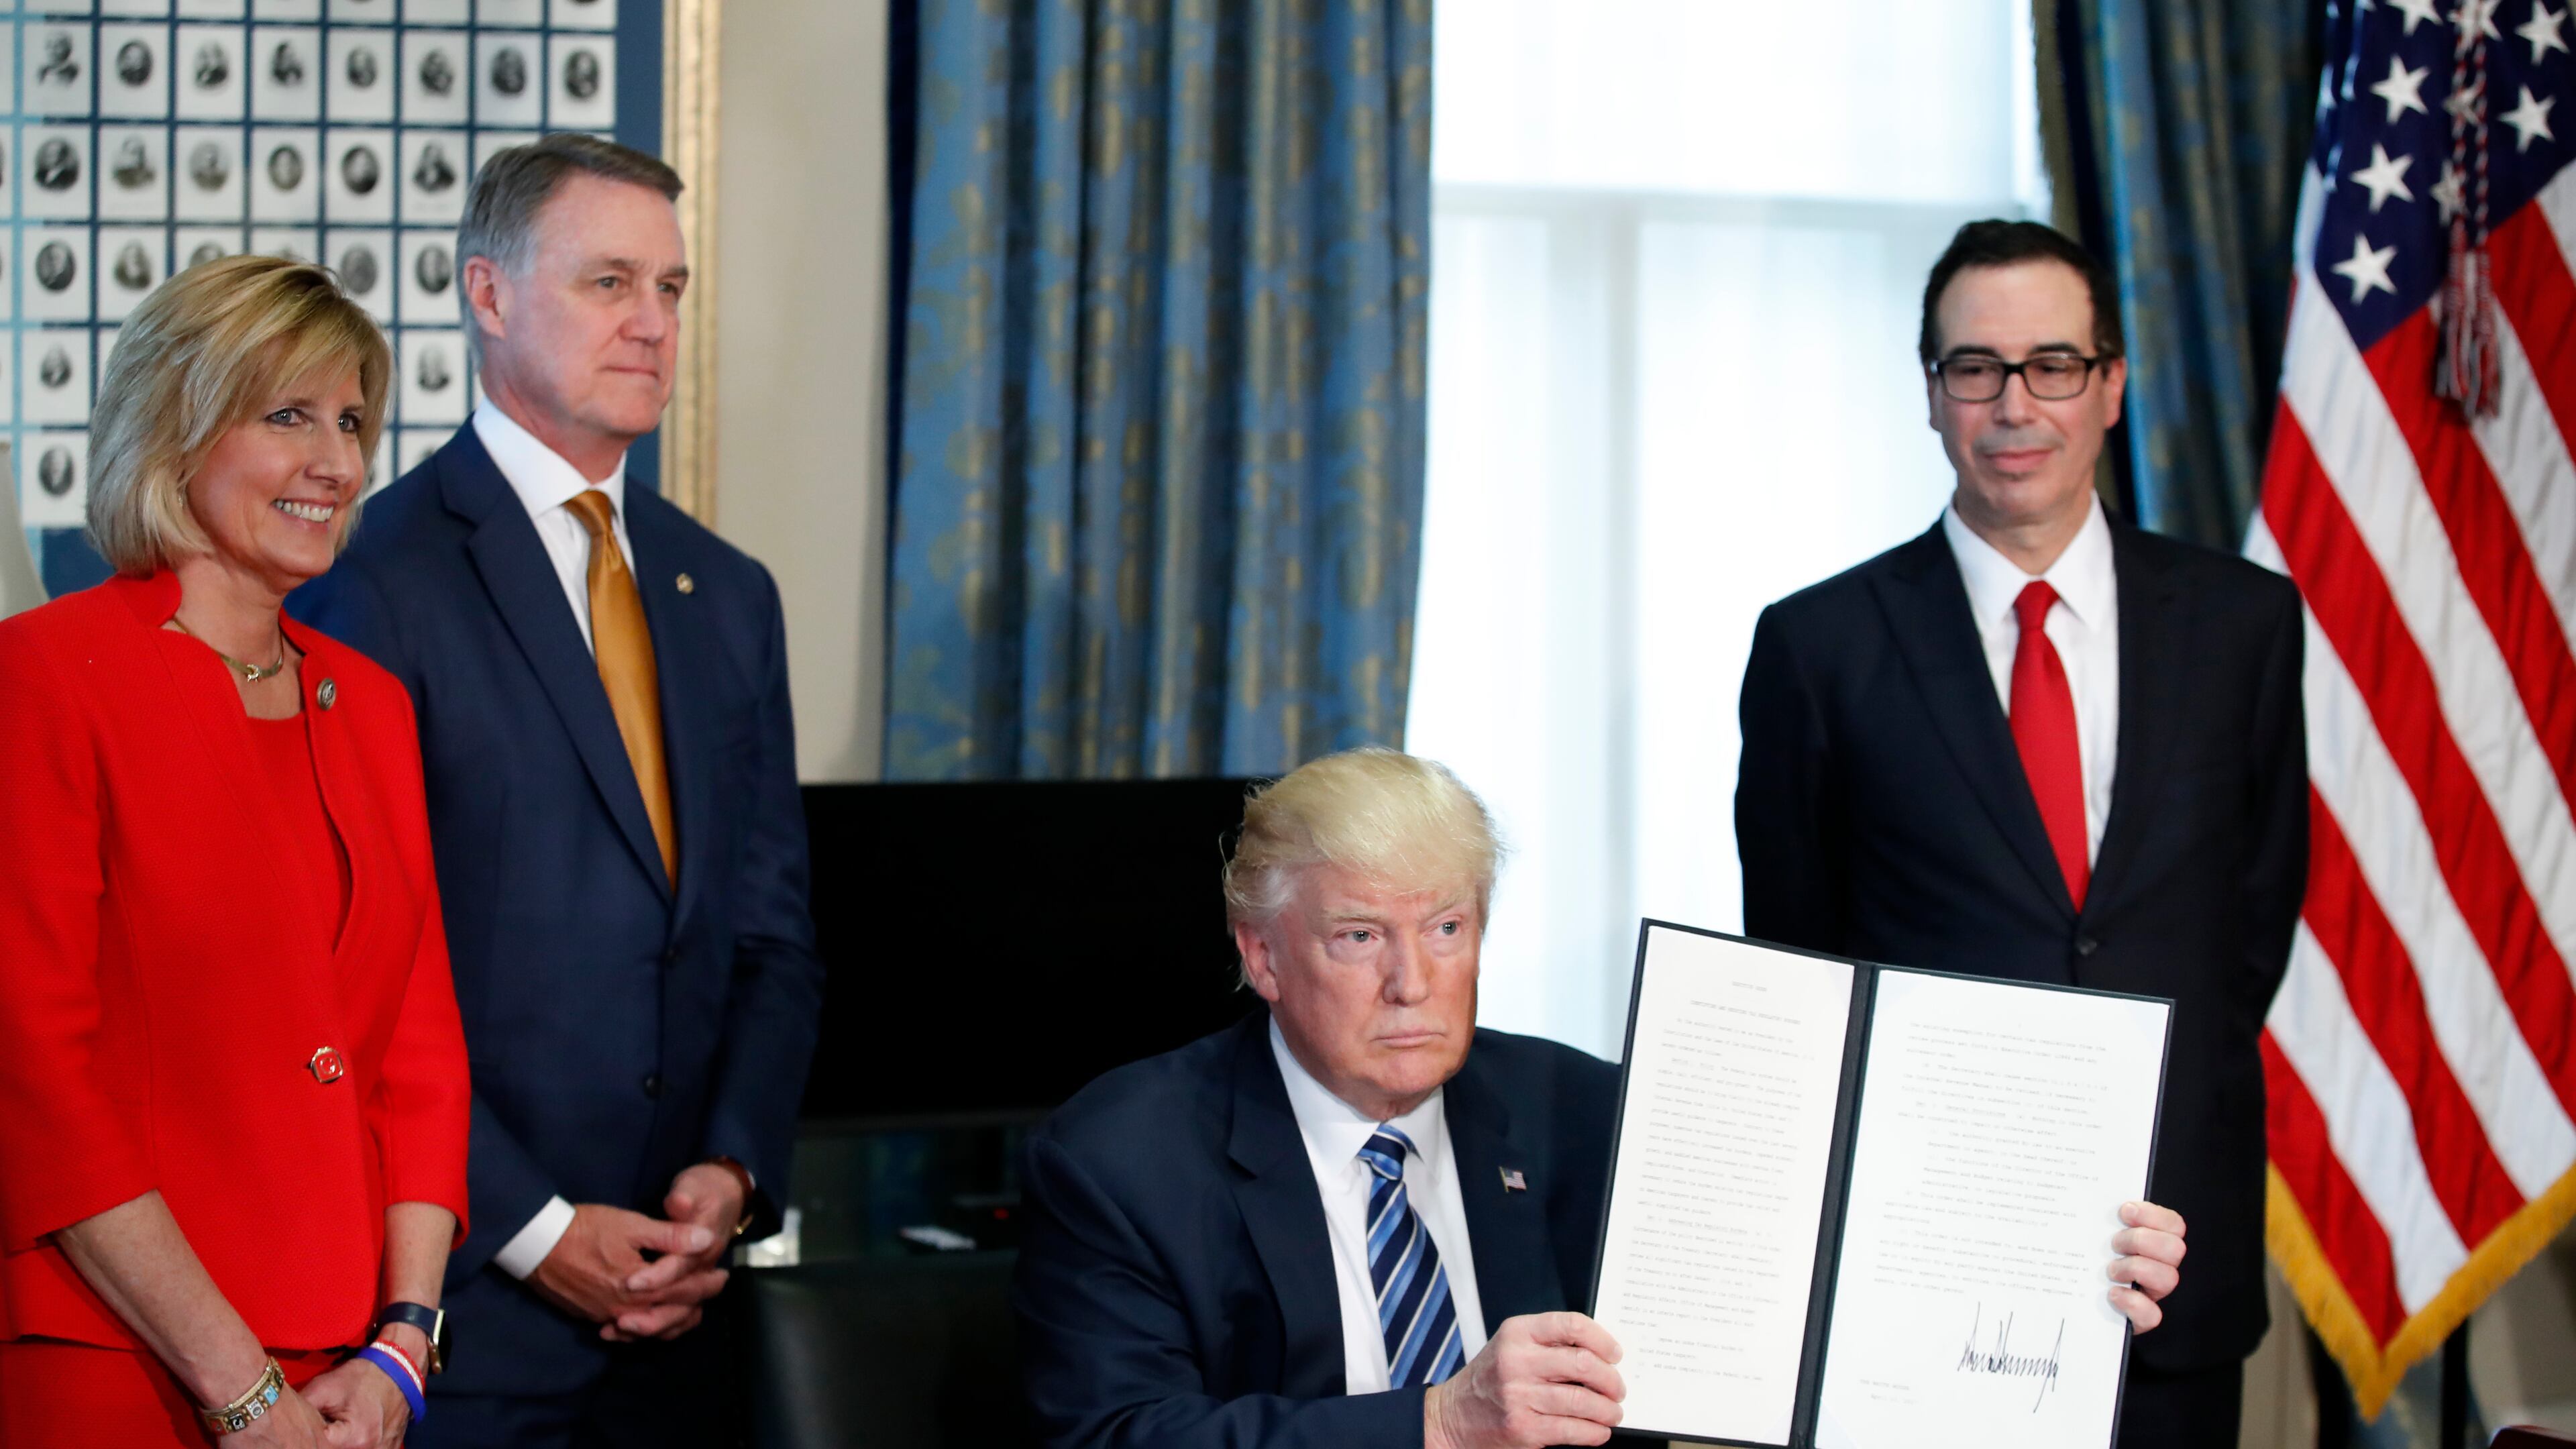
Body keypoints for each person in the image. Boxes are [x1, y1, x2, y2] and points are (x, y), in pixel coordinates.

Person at [1015, 747, 2192, 1449]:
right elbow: (1121, 1438)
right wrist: (1441, 1421)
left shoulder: (1582, 1107)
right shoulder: (1124, 1157)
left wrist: (2063, 1272)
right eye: (1359, 936)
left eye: (1446, 929)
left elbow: (1840, 1265)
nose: (1412, 981)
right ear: (1265, 957)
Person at [1735, 219, 2307, 1448]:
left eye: (2053, 364)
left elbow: (2250, 928)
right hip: (1924, 1287)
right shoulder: (1819, 649)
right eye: (1974, 368)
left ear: (2109, 384)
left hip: (2165, 1265)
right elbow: (1800, 964)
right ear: (1931, 395)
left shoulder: (2245, 626)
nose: (2014, 404)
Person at [289, 132, 822, 1446]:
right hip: (458, 1324)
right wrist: (537, 1231)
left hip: (690, 1318)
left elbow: (771, 936)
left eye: (674, 290)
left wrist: (731, 1173)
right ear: (488, 295)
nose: (651, 324)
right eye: (608, 283)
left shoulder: (729, 594)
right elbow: (343, 979)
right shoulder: (370, 578)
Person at [0, 256, 470, 1446]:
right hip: (121, 1358)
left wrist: (403, 1347)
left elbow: (420, 1051)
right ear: (176, 428)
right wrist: (240, 1388)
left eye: (354, 421)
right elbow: (37, 1080)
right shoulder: (46, 678)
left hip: (349, 1375)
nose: (339, 462)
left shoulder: (370, 702)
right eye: (288, 417)